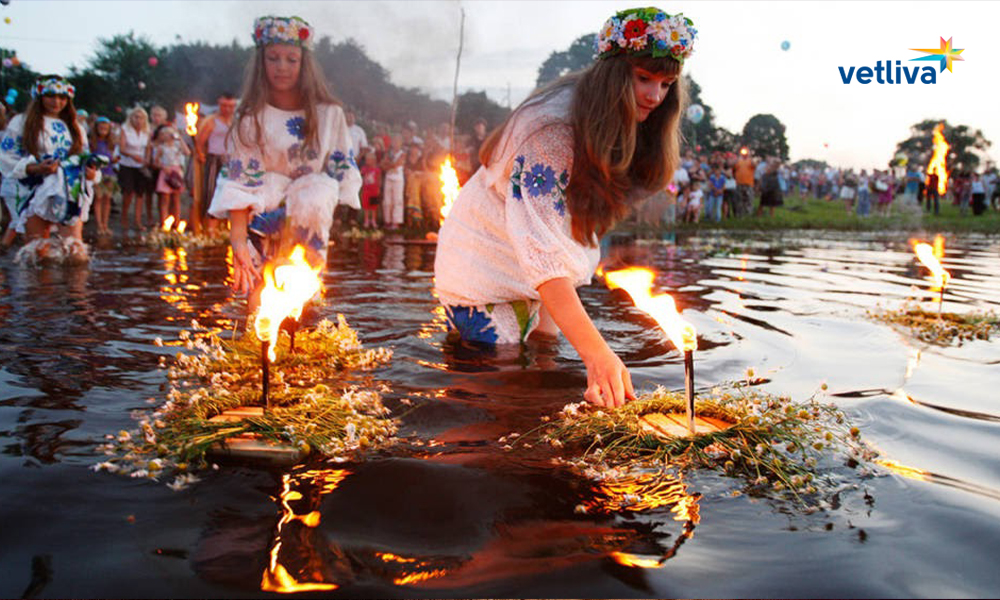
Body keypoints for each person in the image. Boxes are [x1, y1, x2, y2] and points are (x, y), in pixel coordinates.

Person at [434, 6, 694, 408]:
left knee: (545, 365)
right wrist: (598, 354)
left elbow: (562, 240)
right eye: (643, 78)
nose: (654, 96)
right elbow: (544, 256)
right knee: (495, 384)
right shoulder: (553, 129)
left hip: (540, 269)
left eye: (665, 84)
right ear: (614, 74)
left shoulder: (615, 121)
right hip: (483, 264)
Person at [208, 15, 361, 301]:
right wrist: (238, 242)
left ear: (304, 64)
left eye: (291, 59)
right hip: (261, 212)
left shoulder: (329, 114)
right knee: (260, 307)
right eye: (273, 58)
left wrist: (312, 210)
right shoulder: (250, 118)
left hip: (308, 213)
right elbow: (241, 184)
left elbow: (339, 176)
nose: (282, 67)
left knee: (301, 306)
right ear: (261, 63)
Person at [0, 75, 99, 260]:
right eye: (51, 96)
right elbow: (5, 157)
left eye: (62, 98)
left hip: (69, 188)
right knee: (37, 251)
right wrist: (35, 168)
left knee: (75, 251)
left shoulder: (75, 126)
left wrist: (91, 173)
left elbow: (83, 157)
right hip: (33, 189)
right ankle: (41, 289)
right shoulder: (21, 122)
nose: (56, 102)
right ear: (39, 96)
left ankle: (75, 290)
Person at [194, 92, 237, 234]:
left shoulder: (235, 121)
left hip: (232, 160)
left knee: (230, 193)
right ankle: (209, 227)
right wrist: (200, 155)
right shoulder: (212, 121)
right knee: (212, 192)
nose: (228, 109)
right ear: (219, 105)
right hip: (214, 159)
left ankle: (225, 227)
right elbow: (200, 142)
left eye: (231, 106)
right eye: (224, 106)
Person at [118, 107, 152, 233]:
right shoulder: (125, 129)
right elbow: (121, 148)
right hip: (127, 163)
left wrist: (147, 159)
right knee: (128, 192)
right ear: (131, 118)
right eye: (136, 117)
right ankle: (124, 217)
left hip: (140, 165)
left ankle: (137, 221)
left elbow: (148, 147)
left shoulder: (146, 131)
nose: (138, 120)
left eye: (141, 117)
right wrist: (133, 156)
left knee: (140, 193)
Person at [152, 124, 190, 226]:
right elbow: (155, 162)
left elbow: (187, 152)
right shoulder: (161, 148)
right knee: (165, 198)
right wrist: (163, 167)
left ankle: (176, 221)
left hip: (176, 171)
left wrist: (180, 138)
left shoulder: (177, 146)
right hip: (166, 171)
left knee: (176, 198)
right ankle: (164, 221)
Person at [90, 116, 119, 236]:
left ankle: (105, 224)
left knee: (107, 199)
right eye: (101, 127)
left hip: (109, 172)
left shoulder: (111, 143)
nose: (103, 129)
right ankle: (99, 225)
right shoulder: (92, 142)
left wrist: (115, 160)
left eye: (105, 128)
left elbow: (112, 158)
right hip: (97, 172)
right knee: (98, 198)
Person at [380, 135, 405, 229]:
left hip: (398, 179)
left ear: (400, 143)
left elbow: (397, 163)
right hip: (388, 177)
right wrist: (390, 165)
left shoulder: (403, 153)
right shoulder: (388, 153)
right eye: (394, 141)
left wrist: (388, 165)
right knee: (387, 200)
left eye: (397, 142)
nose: (395, 144)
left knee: (397, 200)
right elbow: (382, 165)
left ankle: (396, 222)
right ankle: (387, 221)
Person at [359, 149, 382, 228]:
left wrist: (378, 188)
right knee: (366, 206)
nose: (367, 161)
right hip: (366, 190)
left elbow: (379, 179)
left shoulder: (377, 170)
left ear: (373, 160)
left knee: (373, 206)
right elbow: (360, 175)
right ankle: (366, 220)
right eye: (366, 160)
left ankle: (373, 220)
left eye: (368, 160)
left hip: (374, 190)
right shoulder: (364, 169)